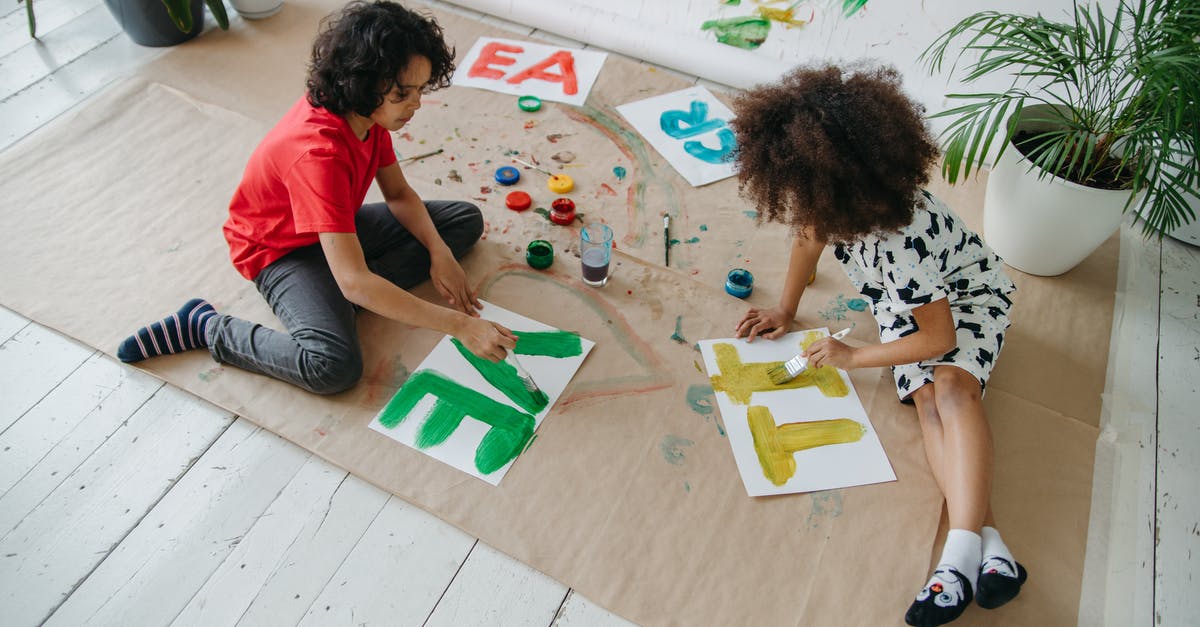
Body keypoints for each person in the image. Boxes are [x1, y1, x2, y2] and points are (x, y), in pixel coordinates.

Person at [729, 63, 1026, 627]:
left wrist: (855, 357)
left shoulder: (900, 240)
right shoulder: (831, 202)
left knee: (952, 388)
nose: (801, 206)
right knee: (926, 405)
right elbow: (807, 243)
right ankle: (992, 549)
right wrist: (786, 310)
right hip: (903, 305)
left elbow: (940, 336)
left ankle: (956, 557)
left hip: (966, 300)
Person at [117, 0, 516, 394]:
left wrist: (437, 252)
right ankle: (204, 327)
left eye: (419, 90)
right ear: (364, 82)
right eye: (403, 93)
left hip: (333, 228)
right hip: (278, 251)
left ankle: (346, 290)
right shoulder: (317, 155)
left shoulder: (369, 114)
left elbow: (397, 192)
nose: (416, 104)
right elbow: (356, 280)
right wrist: (460, 325)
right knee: (332, 366)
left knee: (460, 222)